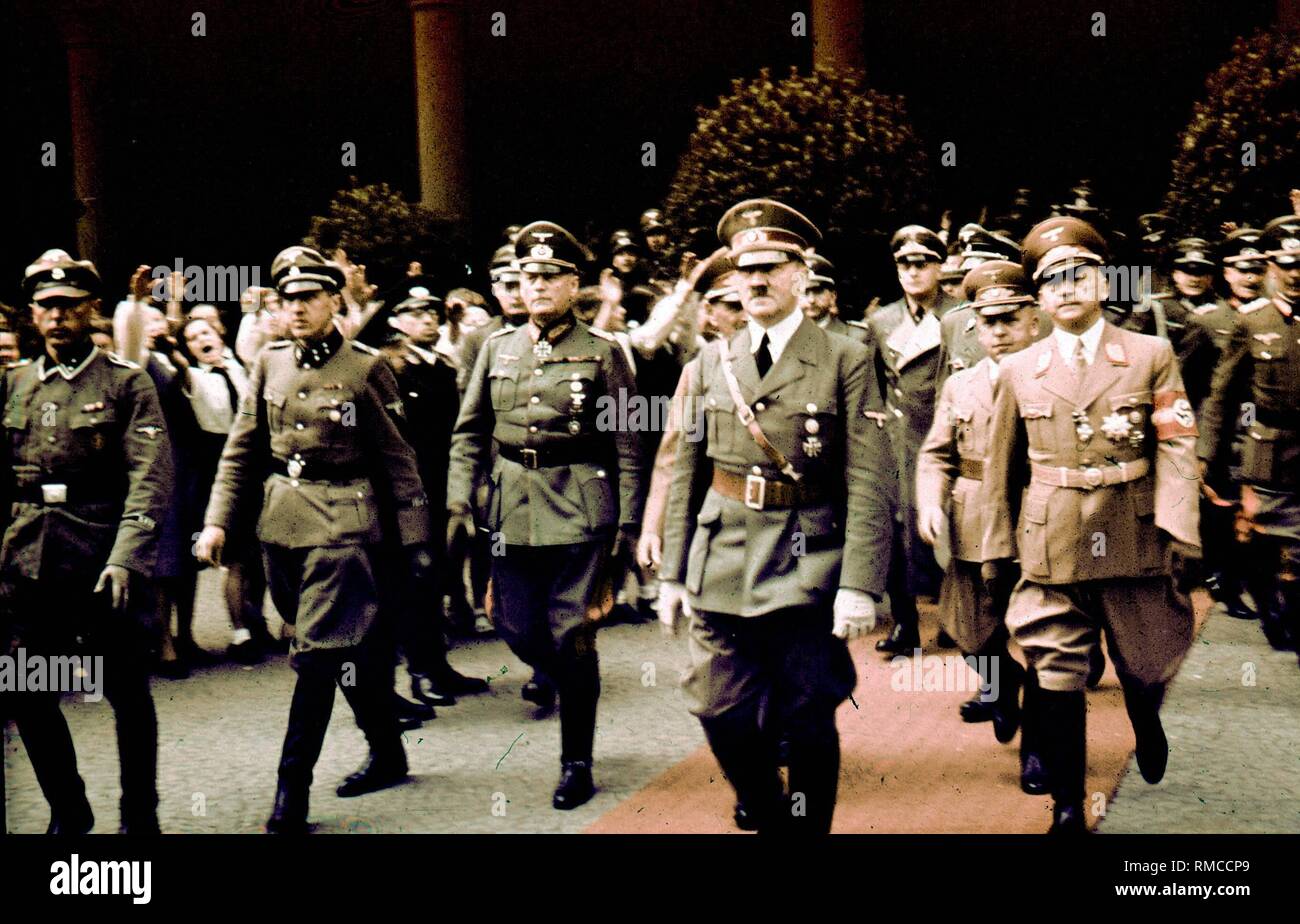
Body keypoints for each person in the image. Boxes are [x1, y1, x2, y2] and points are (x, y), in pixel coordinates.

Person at [658, 199, 893, 834]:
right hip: (722, 555)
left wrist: (860, 585)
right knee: (717, 708)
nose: (756, 281)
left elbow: (871, 477)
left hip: (807, 561)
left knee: (809, 713)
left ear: (800, 272)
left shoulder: (845, 356)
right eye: (744, 269)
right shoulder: (712, 360)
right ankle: (764, 808)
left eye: (772, 266)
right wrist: (673, 573)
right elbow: (688, 470)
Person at [196, 246, 432, 833]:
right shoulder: (269, 363)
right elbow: (242, 449)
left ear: (333, 301)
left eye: (308, 298)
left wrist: (414, 538)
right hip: (281, 524)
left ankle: (290, 793)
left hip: (345, 526)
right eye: (286, 299)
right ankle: (387, 748)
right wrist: (218, 520)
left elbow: (400, 459)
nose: (296, 309)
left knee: (317, 656)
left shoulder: (365, 366)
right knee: (348, 650)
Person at [982, 216, 1201, 833]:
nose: (1066, 289)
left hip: (1132, 533)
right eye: (1051, 282)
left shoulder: (1149, 355)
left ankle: (1145, 714)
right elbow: (1003, 468)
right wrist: (998, 547)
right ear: (1040, 298)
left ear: (1102, 282)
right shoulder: (1019, 369)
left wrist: (1179, 524)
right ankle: (1070, 807)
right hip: (1053, 541)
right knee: (1056, 670)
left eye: (1078, 275)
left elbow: (1178, 441)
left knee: (1144, 661)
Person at [447, 221, 645, 810]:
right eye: (527, 276)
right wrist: (461, 498)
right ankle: (566, 677)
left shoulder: (603, 354)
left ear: (573, 284)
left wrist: (629, 527)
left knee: (572, 633)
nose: (535, 286)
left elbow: (629, 445)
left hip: (580, 506)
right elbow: (469, 433)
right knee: (515, 625)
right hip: (509, 506)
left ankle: (575, 759)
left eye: (549, 276)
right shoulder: (495, 349)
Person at [0, 252, 173, 833]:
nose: (57, 318)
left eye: (69, 307)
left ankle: (138, 814)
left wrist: (127, 556)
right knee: (28, 689)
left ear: (91, 310)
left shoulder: (126, 383)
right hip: (28, 559)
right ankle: (69, 810)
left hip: (101, 558)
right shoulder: (16, 384)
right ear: (32, 314)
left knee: (125, 690)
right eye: (46, 307)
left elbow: (150, 478)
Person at [915, 260, 1045, 794]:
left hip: (1039, 517)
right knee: (970, 633)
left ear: (1033, 320)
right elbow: (935, 454)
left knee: (1045, 641)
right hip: (972, 521)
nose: (999, 331)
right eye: (987, 322)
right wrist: (929, 502)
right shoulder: (961, 385)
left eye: (1010, 319)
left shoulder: (1052, 378)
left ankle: (1038, 749)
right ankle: (1001, 679)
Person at [849, 224, 962, 656]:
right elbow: (871, 381)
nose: (914, 273)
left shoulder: (958, 316)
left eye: (923, 263)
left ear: (939, 267)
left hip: (945, 435)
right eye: (905, 265)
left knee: (953, 529)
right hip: (897, 440)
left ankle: (956, 616)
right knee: (898, 535)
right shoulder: (881, 321)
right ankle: (906, 624)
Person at [376, 282, 490, 704]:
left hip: (444, 485)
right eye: (414, 312)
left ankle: (438, 665)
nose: (427, 319)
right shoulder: (389, 367)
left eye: (432, 312)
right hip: (409, 490)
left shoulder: (441, 365)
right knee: (413, 582)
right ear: (395, 320)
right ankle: (419, 673)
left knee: (440, 574)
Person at [1199, 215, 1300, 662]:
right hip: (1268, 453)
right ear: (1271, 267)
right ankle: (1270, 607)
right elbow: (1221, 397)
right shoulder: (1251, 322)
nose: (1295, 274)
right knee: (1261, 543)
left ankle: (1292, 614)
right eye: (1285, 264)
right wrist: (1207, 460)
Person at [179, 315, 275, 662]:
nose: (200, 340)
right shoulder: (194, 378)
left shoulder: (242, 366)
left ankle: (258, 617)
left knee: (262, 552)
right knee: (234, 558)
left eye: (205, 331)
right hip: (220, 462)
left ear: (220, 333)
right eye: (191, 338)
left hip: (257, 461)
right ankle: (240, 633)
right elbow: (175, 363)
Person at [801, 252, 850, 337]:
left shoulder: (856, 335)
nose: (811, 300)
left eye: (818, 291)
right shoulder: (780, 334)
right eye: (804, 292)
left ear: (833, 296)